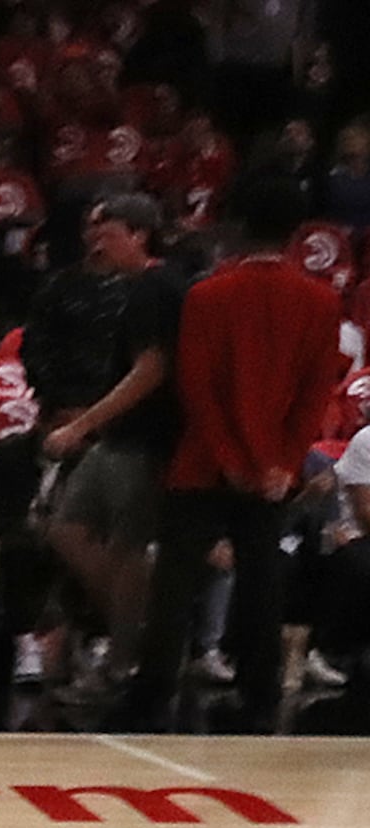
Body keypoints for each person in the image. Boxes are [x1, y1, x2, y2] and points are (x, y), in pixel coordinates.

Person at [124, 178, 342, 723]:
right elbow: (315, 393)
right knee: (262, 580)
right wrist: (283, 462)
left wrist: (227, 458)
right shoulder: (321, 301)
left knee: (176, 581)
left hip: (203, 460)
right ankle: (261, 695)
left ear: (240, 225)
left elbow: (195, 387)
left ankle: (152, 693)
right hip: (272, 466)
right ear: (297, 231)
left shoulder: (206, 295)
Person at [40, 195, 183, 701]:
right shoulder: (139, 287)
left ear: (140, 234)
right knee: (67, 529)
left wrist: (82, 424)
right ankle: (139, 633)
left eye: (108, 233)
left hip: (144, 439)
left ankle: (123, 663)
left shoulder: (157, 287)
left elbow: (152, 369)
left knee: (126, 551)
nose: (96, 244)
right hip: (118, 437)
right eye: (94, 233)